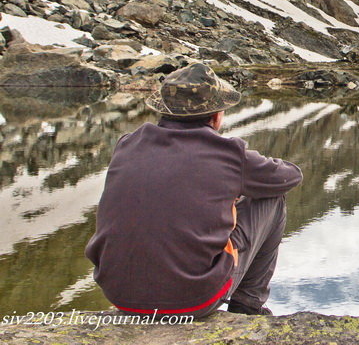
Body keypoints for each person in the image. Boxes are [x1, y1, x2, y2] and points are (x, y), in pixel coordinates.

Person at [85, 63, 303, 317]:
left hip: (119, 295)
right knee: (272, 200)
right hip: (192, 300)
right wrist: (237, 185)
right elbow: (290, 176)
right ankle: (247, 306)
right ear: (216, 116)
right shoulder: (228, 153)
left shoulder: (128, 143)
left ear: (163, 110)